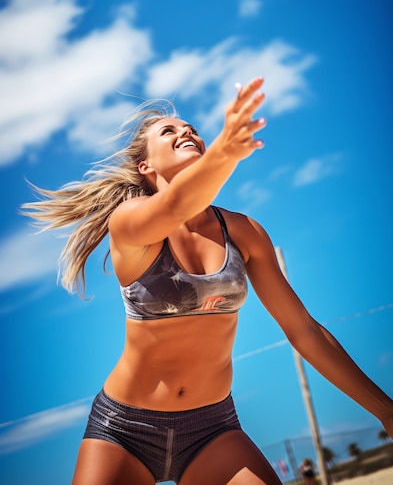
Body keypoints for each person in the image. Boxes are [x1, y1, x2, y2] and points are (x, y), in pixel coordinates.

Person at [22, 77, 393, 485]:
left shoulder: (244, 232)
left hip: (213, 429)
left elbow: (303, 330)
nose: (187, 132)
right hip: (124, 430)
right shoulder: (129, 223)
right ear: (146, 166)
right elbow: (178, 202)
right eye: (170, 131)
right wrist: (227, 151)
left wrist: (385, 409)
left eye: (193, 129)